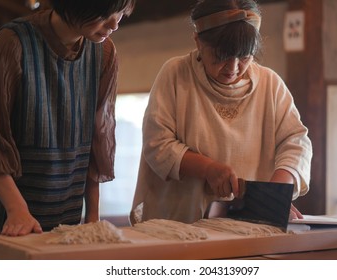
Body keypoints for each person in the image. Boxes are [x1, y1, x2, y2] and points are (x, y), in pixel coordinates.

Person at [130, 0, 312, 225]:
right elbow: (157, 143)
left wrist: (275, 193)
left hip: (249, 222)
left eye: (245, 56)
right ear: (198, 41)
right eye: (221, 56)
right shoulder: (176, 75)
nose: (233, 68)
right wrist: (207, 169)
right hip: (180, 222)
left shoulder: (270, 85)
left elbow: (296, 142)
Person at [0, 0, 136, 236]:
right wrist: (17, 209)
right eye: (105, 13)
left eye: (120, 14)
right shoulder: (12, 42)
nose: (114, 24)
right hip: (7, 218)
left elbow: (98, 138)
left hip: (67, 219)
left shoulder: (104, 52)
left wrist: (93, 216)